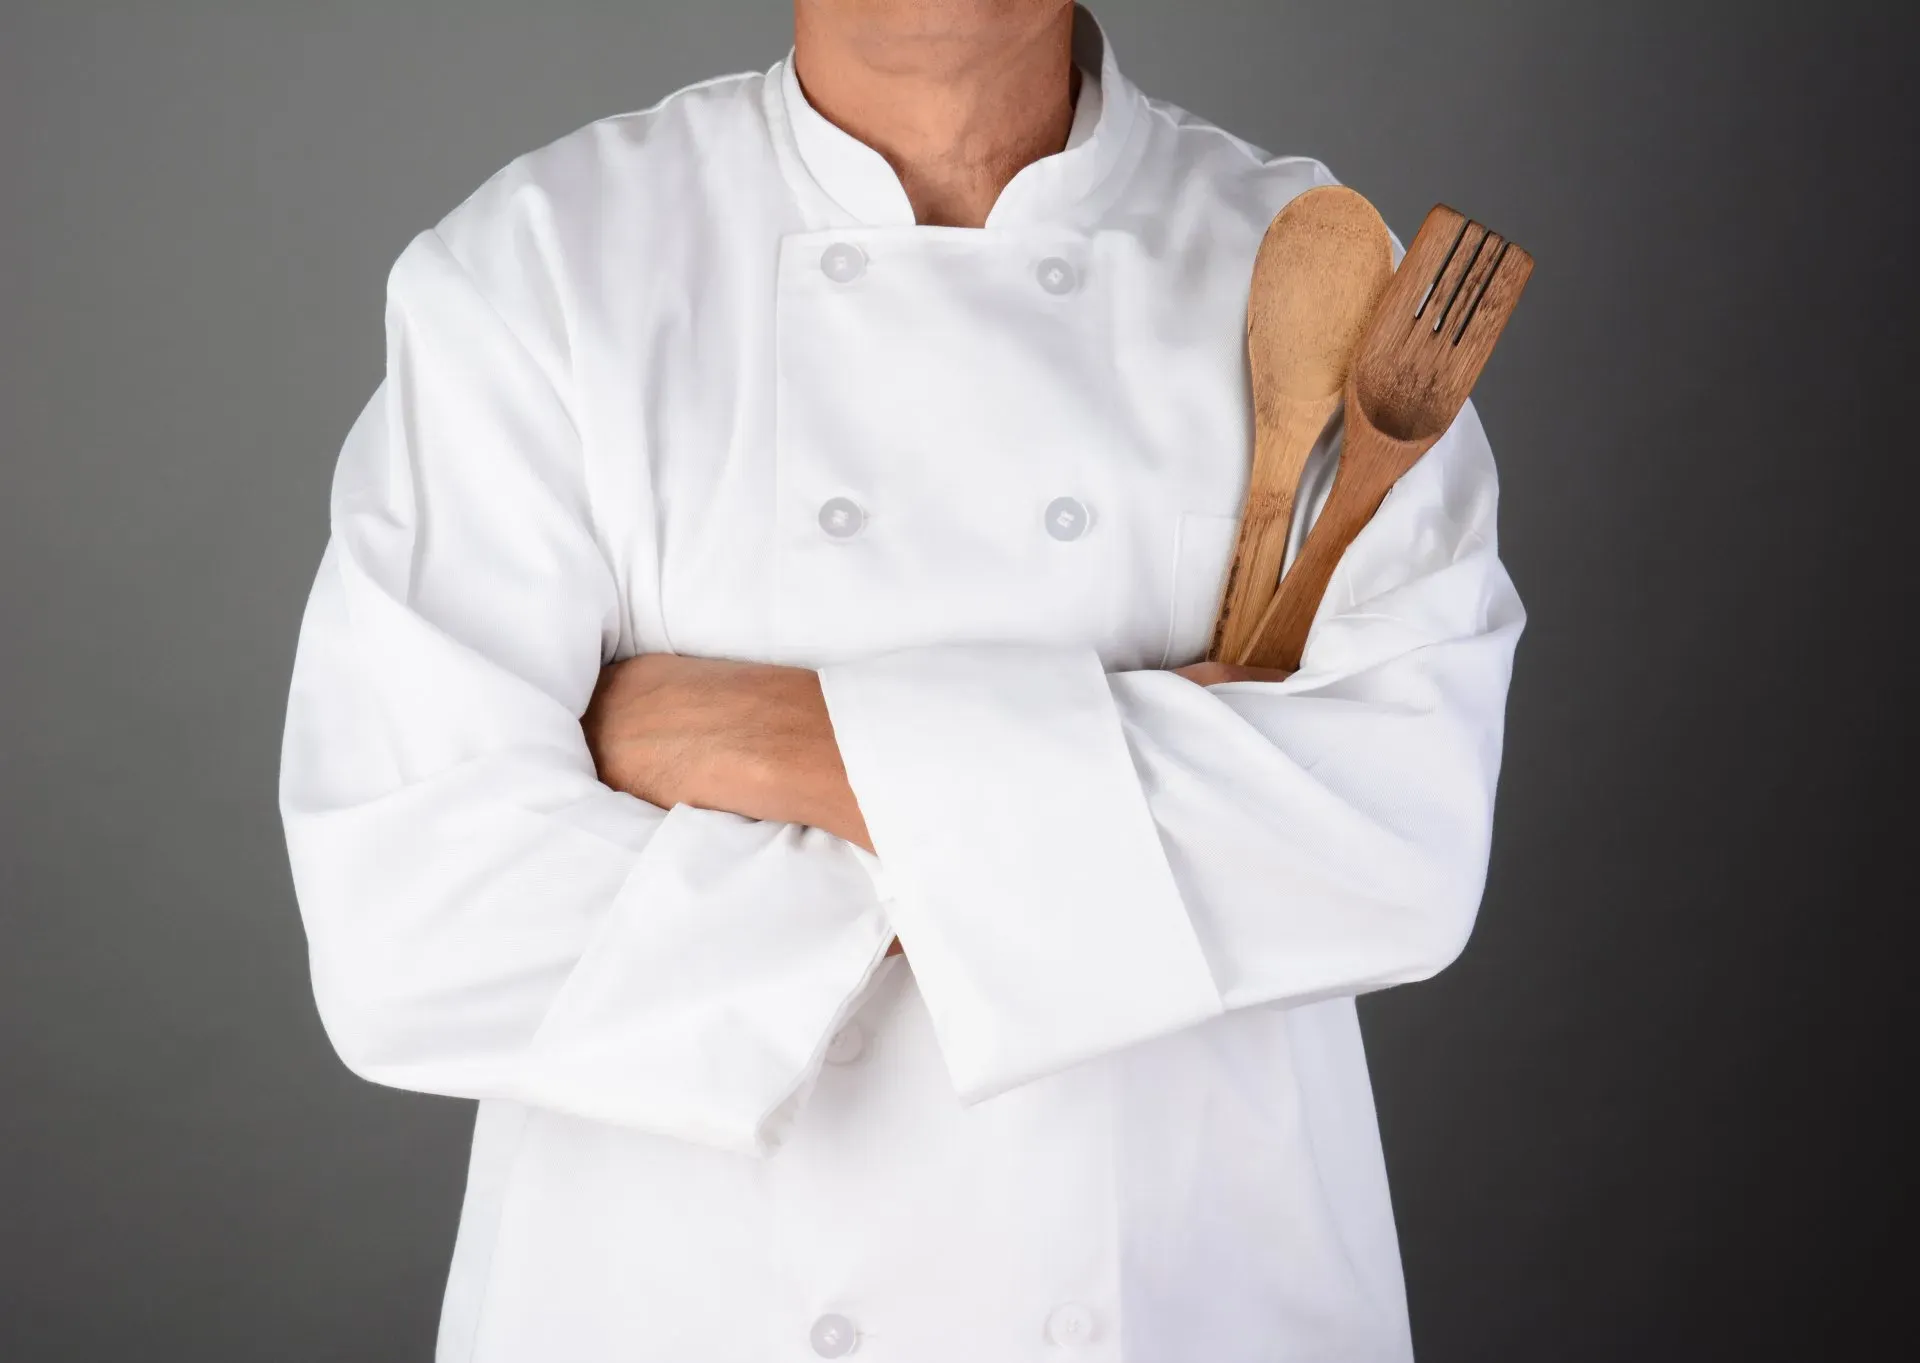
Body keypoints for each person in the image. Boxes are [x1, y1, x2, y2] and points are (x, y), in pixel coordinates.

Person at [278, 2, 1523, 1358]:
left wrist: (762, 741)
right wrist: (1137, 824)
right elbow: (414, 925)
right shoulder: (540, 273)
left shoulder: (1308, 265)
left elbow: (1397, 842)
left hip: (1194, 1301)